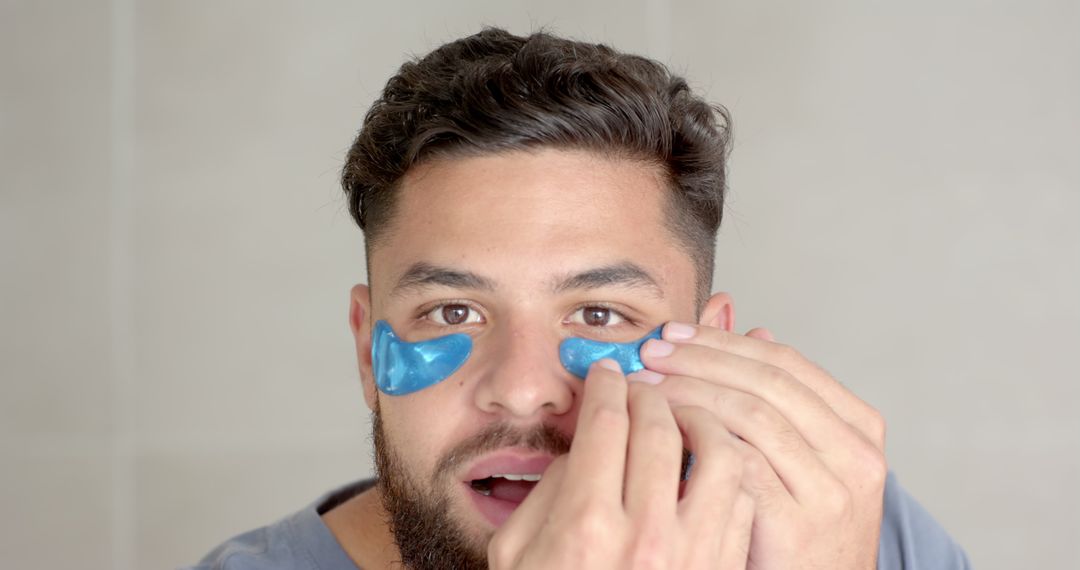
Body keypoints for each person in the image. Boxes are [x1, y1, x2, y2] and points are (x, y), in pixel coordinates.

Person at [188, 27, 971, 570]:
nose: (523, 389)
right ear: (368, 351)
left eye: (599, 314)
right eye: (453, 312)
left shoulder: (839, 527)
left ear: (710, 350)